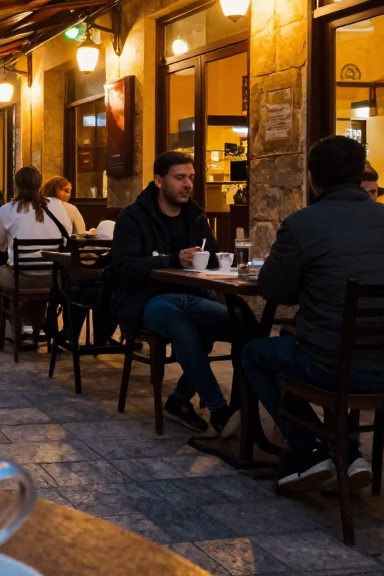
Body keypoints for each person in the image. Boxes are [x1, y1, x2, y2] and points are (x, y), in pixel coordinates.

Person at [242, 135, 384, 491]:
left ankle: (308, 449)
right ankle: (348, 452)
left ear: (311, 178)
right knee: (336, 344)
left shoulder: (303, 224)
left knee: (256, 353)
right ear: (360, 175)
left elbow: (273, 290)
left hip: (332, 366)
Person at [111, 151, 236, 437]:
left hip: (195, 297)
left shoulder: (195, 217)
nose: (188, 185)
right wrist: (172, 259)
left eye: (190, 178)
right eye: (180, 178)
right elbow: (122, 267)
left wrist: (215, 261)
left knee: (243, 326)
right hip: (147, 300)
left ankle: (181, 401)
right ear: (158, 180)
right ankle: (220, 411)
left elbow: (214, 256)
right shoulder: (133, 216)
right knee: (181, 322)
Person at [0, 166, 72, 300]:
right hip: (53, 278)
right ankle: (35, 317)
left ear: (15, 185)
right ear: (40, 185)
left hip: (21, 278)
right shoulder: (58, 206)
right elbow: (67, 234)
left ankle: (11, 316)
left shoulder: (6, 210)